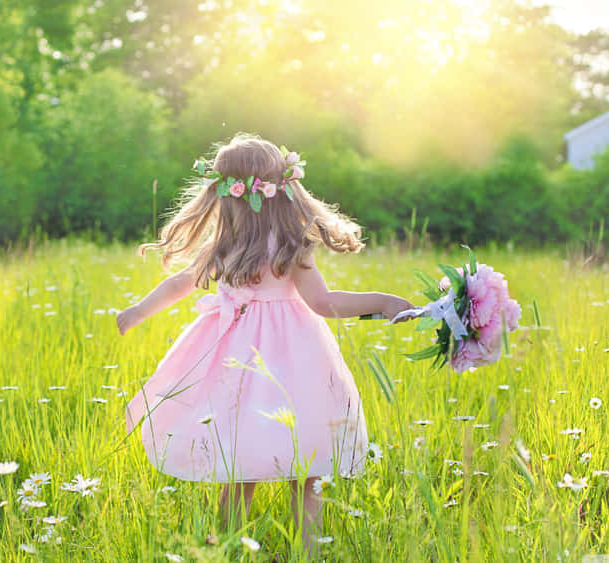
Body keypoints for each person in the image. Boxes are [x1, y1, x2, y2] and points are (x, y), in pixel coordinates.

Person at [117, 133, 413, 551]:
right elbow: (324, 303)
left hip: (238, 358)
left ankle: (223, 550)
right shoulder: (289, 243)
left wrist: (137, 312)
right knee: (305, 470)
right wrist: (379, 301)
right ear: (283, 191)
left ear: (225, 196)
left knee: (240, 467)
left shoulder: (229, 245)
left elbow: (179, 285)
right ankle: (303, 553)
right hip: (296, 358)